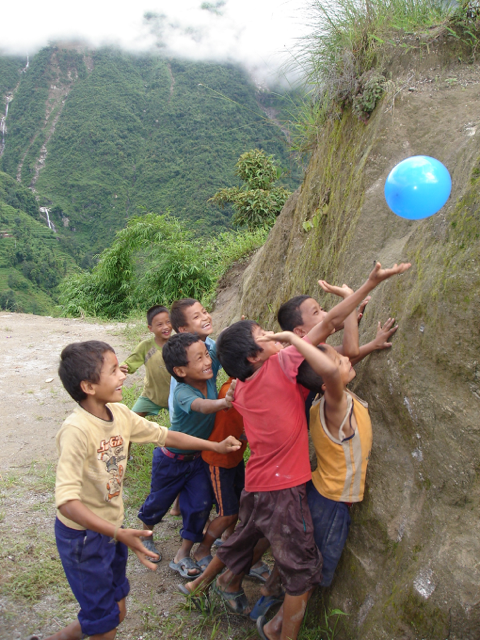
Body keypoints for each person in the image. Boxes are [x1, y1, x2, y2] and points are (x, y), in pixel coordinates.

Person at [183, 261, 411, 640]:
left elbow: (333, 341)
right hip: (284, 488)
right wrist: (369, 282)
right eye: (264, 335)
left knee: (245, 539)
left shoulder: (242, 388)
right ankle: (282, 632)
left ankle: (200, 584)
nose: (273, 336)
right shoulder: (281, 364)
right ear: (255, 356)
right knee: (302, 568)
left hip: (257, 484)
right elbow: (331, 325)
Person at [46, 340, 240, 640]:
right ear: (88, 386)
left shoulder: (119, 413)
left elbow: (166, 435)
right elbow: (67, 503)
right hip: (83, 538)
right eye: (113, 371)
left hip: (112, 530)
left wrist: (213, 446)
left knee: (117, 612)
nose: (123, 375)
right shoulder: (76, 430)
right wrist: (118, 533)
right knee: (105, 623)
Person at [137, 332, 233, 578]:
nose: (208, 361)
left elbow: (221, 348)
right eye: (199, 358)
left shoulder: (208, 369)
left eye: (206, 354)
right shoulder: (182, 392)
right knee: (158, 501)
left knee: (200, 505)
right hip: (171, 460)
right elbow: (202, 406)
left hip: (199, 459)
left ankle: (183, 553)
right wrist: (224, 403)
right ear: (180, 371)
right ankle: (145, 534)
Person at [119, 305, 172, 418]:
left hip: (175, 397)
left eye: (168, 322)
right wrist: (121, 368)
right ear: (150, 328)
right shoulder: (146, 347)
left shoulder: (178, 344)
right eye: (160, 324)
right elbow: (130, 363)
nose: (166, 327)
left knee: (182, 425)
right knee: (132, 420)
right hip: (150, 396)